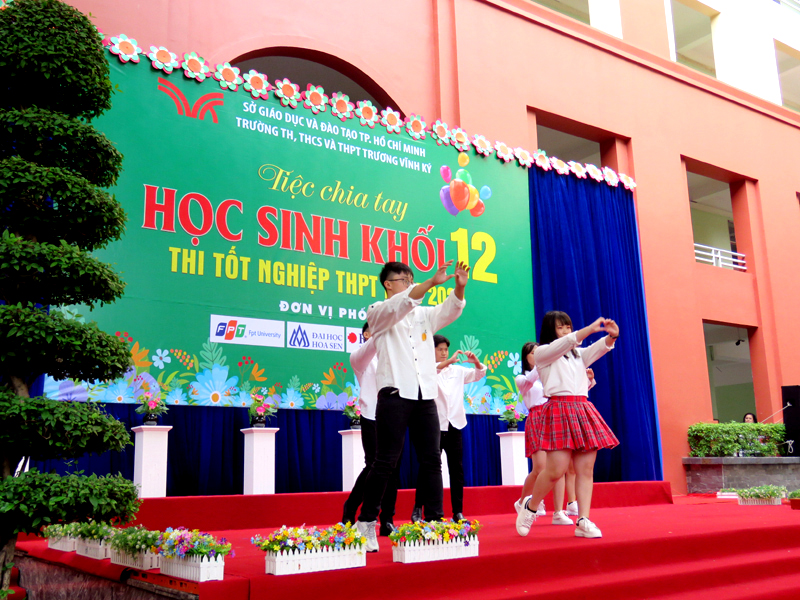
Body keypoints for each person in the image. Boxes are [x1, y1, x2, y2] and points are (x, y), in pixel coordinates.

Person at [355, 260, 470, 552]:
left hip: (425, 396)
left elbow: (450, 310)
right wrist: (430, 283)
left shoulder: (423, 315)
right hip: (394, 394)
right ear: (388, 284)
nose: (409, 283)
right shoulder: (377, 311)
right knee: (385, 461)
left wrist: (459, 287)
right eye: (403, 280)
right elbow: (402, 304)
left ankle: (434, 521)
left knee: (432, 459)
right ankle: (366, 521)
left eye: (411, 279)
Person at [515, 311, 619, 539]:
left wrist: (611, 337)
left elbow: (598, 348)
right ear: (550, 330)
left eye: (568, 326)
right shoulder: (543, 353)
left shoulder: (578, 354)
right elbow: (568, 342)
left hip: (582, 408)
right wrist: (589, 329)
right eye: (560, 327)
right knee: (555, 470)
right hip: (559, 409)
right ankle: (530, 507)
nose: (565, 331)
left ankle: (583, 520)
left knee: (585, 469)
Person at [411, 335, 485, 522]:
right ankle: (418, 508)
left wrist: (476, 362)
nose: (444, 353)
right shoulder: (426, 369)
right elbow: (430, 372)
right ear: (431, 350)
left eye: (446, 349)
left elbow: (478, 374)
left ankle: (457, 511)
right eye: (440, 349)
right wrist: (448, 362)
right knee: (427, 468)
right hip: (433, 427)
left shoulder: (457, 371)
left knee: (456, 469)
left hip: (454, 425)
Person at [341, 322, 400, 536]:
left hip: (395, 416)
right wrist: (384, 326)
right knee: (374, 465)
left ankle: (387, 519)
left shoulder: (394, 356)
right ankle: (351, 506)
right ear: (366, 334)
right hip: (371, 415)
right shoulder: (360, 357)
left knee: (393, 469)